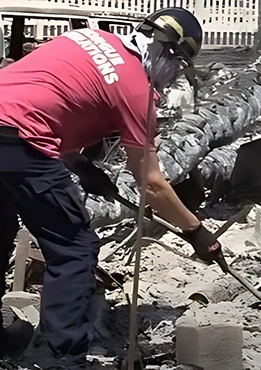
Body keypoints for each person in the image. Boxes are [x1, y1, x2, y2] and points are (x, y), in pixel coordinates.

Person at [0, 7, 223, 363]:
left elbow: (52, 95)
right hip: (20, 140)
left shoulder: (89, 38)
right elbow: (151, 184)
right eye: (178, 66)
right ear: (170, 54)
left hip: (8, 129)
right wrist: (197, 233)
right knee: (74, 246)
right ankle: (62, 359)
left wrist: (80, 164)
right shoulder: (138, 88)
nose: (172, 77)